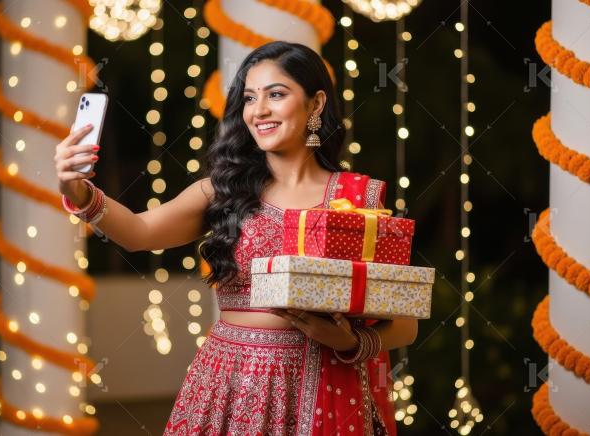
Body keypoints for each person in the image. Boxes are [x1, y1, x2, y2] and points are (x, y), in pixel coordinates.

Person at [54, 41, 418, 435]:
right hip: (229, 384)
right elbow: (139, 233)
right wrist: (78, 190)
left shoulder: (357, 200)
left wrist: (348, 342)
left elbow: (404, 324)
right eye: (249, 98)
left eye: (276, 94)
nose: (258, 110)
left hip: (319, 386)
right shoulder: (223, 192)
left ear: (315, 104)